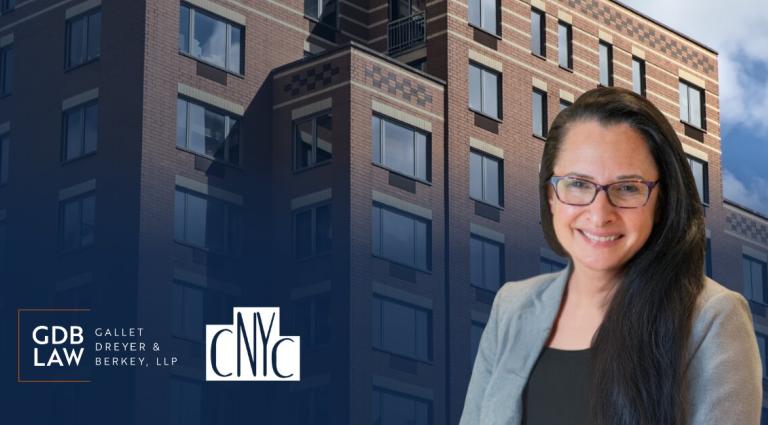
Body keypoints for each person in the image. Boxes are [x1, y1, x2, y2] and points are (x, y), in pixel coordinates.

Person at [458, 86, 762, 425]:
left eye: (628, 188)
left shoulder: (713, 318)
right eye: (578, 184)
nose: (599, 213)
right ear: (551, 196)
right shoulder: (511, 307)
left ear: (661, 201)